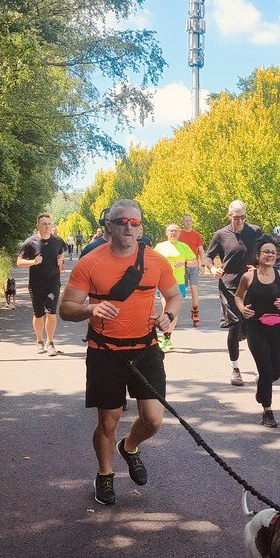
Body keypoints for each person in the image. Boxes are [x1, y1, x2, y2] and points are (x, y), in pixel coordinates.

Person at [60, 199, 182, 506]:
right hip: (104, 352)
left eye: (134, 222)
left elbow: (173, 297)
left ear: (141, 228)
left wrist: (168, 316)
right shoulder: (90, 262)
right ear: (109, 225)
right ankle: (105, 474)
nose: (128, 226)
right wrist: (90, 308)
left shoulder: (155, 261)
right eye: (122, 221)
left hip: (146, 348)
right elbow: (65, 309)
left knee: (153, 420)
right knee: (109, 420)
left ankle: (129, 448)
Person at [234, 239, 280, 427]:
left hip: (277, 328)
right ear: (258, 255)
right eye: (266, 252)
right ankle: (267, 412)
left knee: (276, 372)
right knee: (266, 370)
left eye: (273, 252)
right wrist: (242, 309)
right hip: (255, 328)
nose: (269, 255)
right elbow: (238, 296)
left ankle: (262, 385)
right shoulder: (248, 277)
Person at [206, 200, 263, 387]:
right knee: (235, 324)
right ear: (229, 216)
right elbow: (208, 256)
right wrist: (212, 268)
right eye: (236, 217)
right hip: (229, 286)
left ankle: (244, 337)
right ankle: (235, 369)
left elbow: (268, 252)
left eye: (243, 217)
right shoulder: (221, 234)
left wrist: (258, 266)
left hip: (251, 285)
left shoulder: (255, 232)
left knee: (250, 326)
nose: (239, 220)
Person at [17, 213, 67, 355]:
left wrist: (61, 262)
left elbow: (61, 252)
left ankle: (50, 342)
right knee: (38, 314)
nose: (47, 226)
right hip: (36, 283)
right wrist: (33, 262)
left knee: (51, 311)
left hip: (53, 282)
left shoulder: (57, 240)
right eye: (44, 223)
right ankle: (39, 341)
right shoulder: (30, 242)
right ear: (38, 225)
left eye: (49, 223)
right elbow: (19, 262)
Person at [154, 224, 197, 352]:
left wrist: (183, 263)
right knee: (166, 307)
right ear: (166, 233)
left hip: (178, 283)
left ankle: (167, 337)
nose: (173, 233)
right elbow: (152, 261)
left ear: (179, 233)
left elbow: (195, 262)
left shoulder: (183, 247)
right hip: (162, 282)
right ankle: (164, 336)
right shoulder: (160, 247)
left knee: (174, 311)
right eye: (171, 231)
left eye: (176, 231)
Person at [178, 213, 206, 326]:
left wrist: (202, 265)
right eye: (186, 221)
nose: (188, 222)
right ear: (183, 222)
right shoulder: (179, 234)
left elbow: (201, 251)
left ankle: (195, 312)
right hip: (181, 266)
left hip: (193, 265)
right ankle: (174, 315)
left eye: (189, 221)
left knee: (194, 289)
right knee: (180, 292)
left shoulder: (196, 235)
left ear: (192, 222)